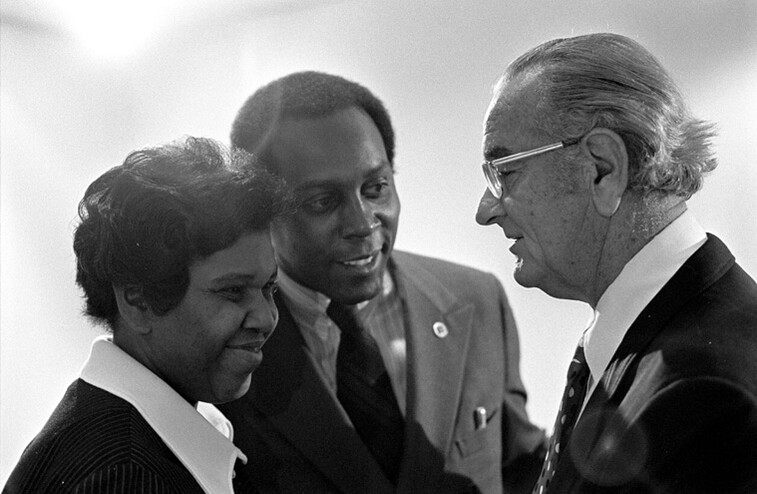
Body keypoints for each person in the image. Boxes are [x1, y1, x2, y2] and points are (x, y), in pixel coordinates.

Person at [217, 71, 547, 494]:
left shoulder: (476, 299)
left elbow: (522, 466)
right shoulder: (226, 348)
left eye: (376, 187)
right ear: (261, 211)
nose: (363, 223)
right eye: (322, 201)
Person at [475, 33, 757, 494]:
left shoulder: (704, 394)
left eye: (504, 171)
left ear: (603, 168)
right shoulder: (668, 341)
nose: (485, 209)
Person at [4, 137, 293, 494]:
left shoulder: (127, 437)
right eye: (233, 291)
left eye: (269, 288)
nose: (265, 319)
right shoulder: (127, 475)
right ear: (137, 302)